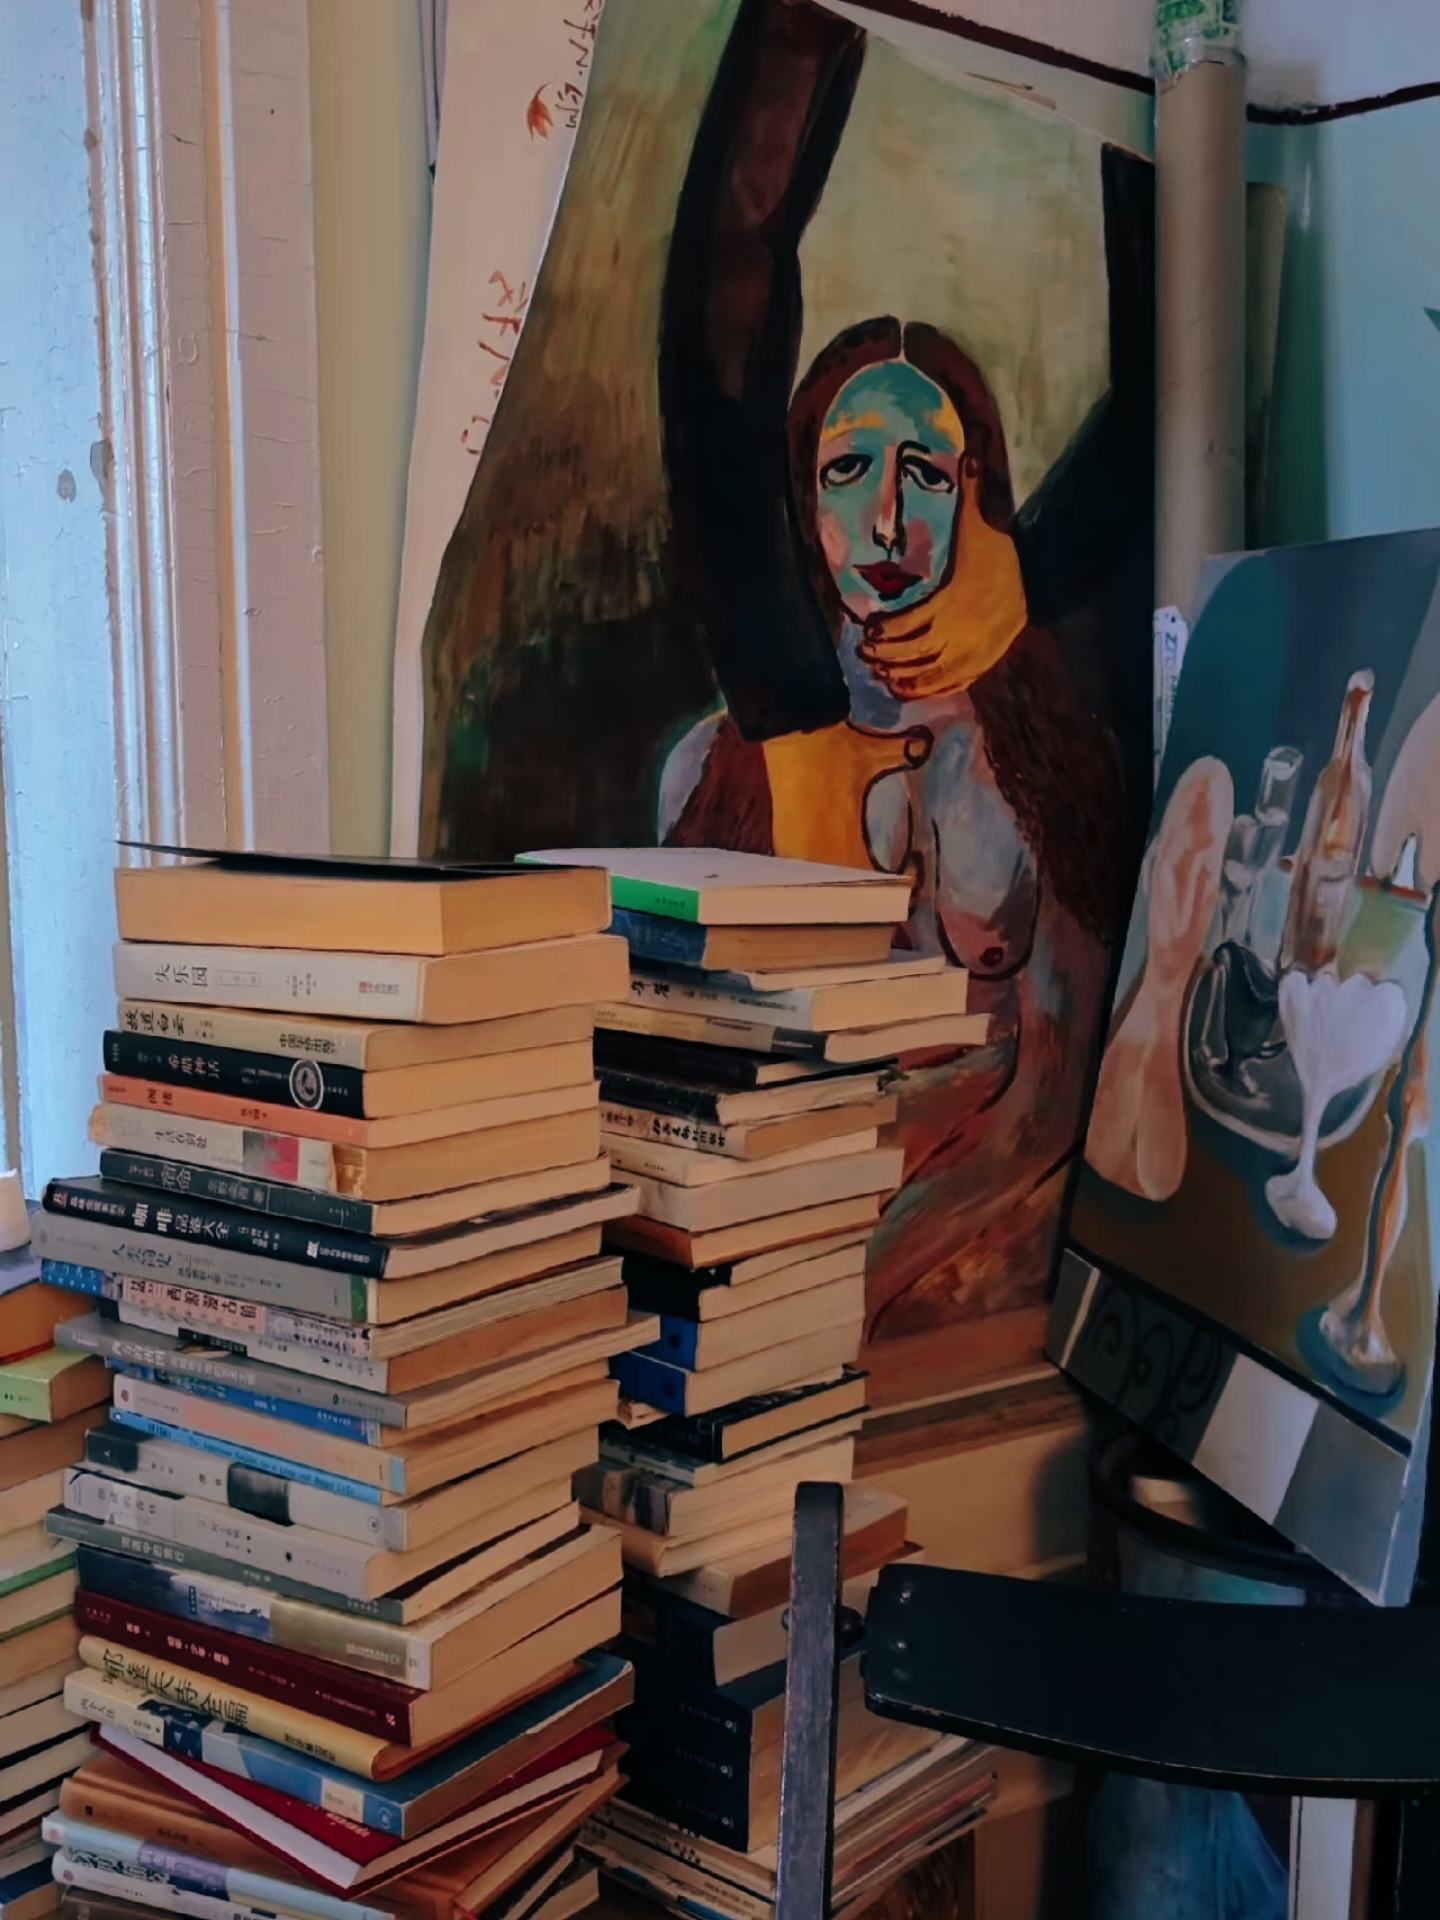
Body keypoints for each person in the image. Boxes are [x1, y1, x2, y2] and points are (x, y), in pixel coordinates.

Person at [662, 314, 1131, 1338]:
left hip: (979, 1256)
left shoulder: (1049, 758)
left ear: (975, 493)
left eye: (924, 472)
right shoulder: (710, 770)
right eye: (848, 469)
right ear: (801, 499)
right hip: (768, 1261)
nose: (886, 521)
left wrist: (857, 1288)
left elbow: (1051, 1100)